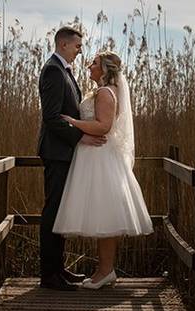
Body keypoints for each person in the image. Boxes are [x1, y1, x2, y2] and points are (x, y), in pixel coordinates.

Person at [53, 49, 153, 289]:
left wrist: (73, 122)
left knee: (105, 216)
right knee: (101, 216)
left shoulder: (106, 93)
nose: (89, 65)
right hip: (93, 156)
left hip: (100, 159)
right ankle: (104, 271)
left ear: (105, 69)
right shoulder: (102, 91)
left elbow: (104, 127)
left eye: (94, 63)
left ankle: (105, 271)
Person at [37, 26, 106, 291]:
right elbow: (51, 117)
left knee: (60, 210)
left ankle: (58, 270)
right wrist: (80, 137)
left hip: (63, 152)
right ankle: (49, 275)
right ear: (64, 44)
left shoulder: (63, 70)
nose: (80, 50)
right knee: (53, 210)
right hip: (56, 152)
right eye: (77, 46)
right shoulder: (54, 70)